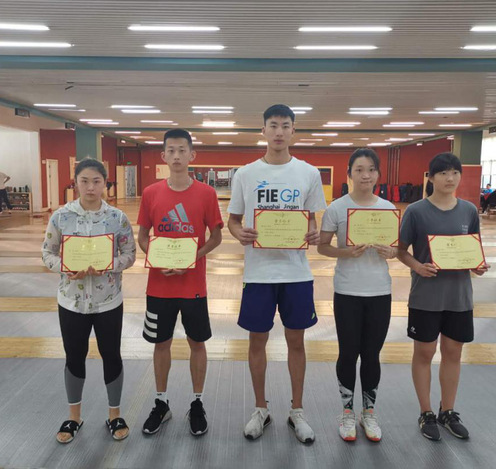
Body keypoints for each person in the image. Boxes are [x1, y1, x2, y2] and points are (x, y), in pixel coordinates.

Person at [227, 104, 327, 443]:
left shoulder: (308, 173)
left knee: (296, 341)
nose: (279, 131)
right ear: (264, 130)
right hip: (258, 274)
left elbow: (312, 219)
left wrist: (313, 233)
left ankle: (297, 410)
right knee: (257, 341)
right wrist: (239, 233)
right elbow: (233, 220)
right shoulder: (245, 174)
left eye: (286, 125)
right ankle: (261, 408)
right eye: (273, 125)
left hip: (296, 273)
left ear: (293, 131)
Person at [42, 158, 136, 444]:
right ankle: (74, 416)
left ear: (105, 183)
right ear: (76, 183)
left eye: (96, 181)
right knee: (74, 356)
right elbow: (48, 253)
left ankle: (114, 414)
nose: (91, 187)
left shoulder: (117, 218)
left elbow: (130, 254)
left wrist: (108, 265)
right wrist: (65, 267)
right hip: (71, 302)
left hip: (108, 301)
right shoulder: (61, 217)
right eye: (84, 181)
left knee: (112, 355)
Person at [397, 152, 489, 441]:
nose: (450, 178)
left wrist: (478, 265)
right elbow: (401, 251)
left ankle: (447, 411)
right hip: (426, 296)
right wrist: (417, 267)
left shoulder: (469, 211)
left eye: (455, 173)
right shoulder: (416, 211)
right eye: (443, 173)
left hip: (459, 297)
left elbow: (473, 250)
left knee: (453, 353)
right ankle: (426, 413)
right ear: (431, 177)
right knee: (424, 353)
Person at [137, 129, 223, 437]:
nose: (176, 156)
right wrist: (157, 259)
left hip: (193, 287)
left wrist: (191, 258)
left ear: (191, 155)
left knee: (197, 343)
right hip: (158, 287)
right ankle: (161, 402)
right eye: (171, 150)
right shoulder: (151, 193)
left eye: (182, 150)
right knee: (161, 343)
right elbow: (143, 236)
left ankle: (197, 403)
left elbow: (216, 236)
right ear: (163, 156)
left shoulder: (206, 194)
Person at [317, 148, 396, 442]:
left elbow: (397, 248)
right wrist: (345, 252)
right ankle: (347, 412)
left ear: (378, 174)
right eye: (359, 169)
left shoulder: (388, 208)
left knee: (372, 354)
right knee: (348, 352)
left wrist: (392, 252)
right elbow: (323, 246)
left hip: (380, 291)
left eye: (371, 169)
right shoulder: (337, 208)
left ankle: (369, 413)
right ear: (349, 173)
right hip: (347, 290)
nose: (366, 175)